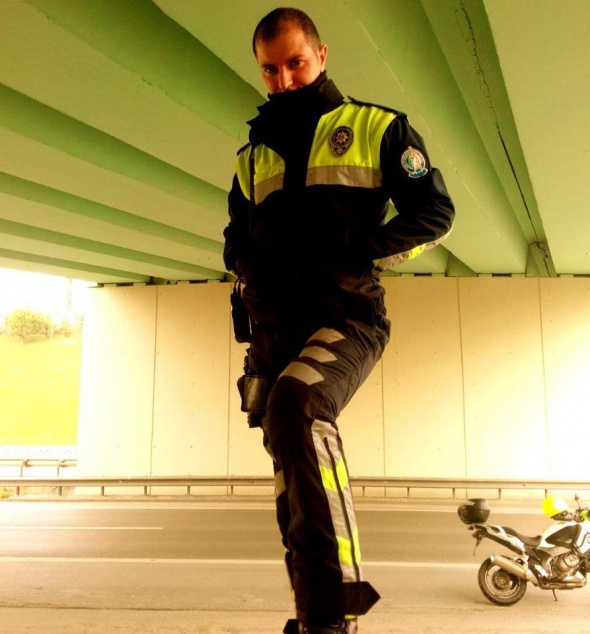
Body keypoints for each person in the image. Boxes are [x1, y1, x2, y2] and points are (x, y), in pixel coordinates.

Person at [223, 8, 455, 634]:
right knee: (288, 463)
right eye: (270, 69)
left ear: (321, 56)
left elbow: (434, 215)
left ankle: (335, 613)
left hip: (347, 317)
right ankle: (310, 613)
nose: (284, 79)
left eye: (295, 63)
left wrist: (361, 250)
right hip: (274, 332)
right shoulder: (251, 156)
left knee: (298, 405)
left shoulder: (377, 128)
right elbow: (234, 236)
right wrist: (247, 270)